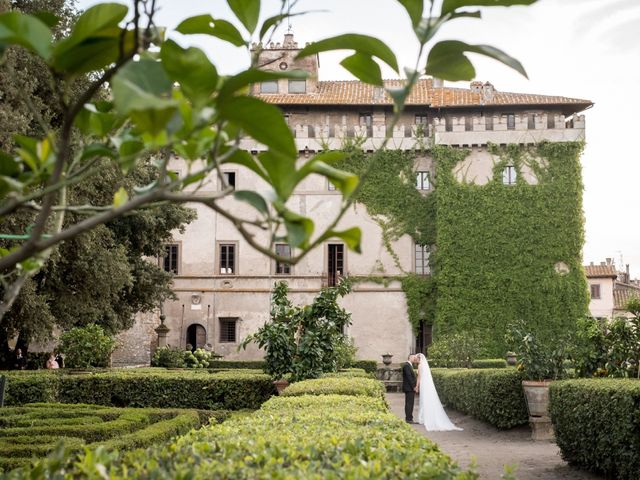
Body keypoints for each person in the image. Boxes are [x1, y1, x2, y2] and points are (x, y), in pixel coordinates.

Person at [415, 352, 462, 431]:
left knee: (424, 400)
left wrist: (417, 386)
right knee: (427, 400)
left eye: (416, 358)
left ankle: (424, 417)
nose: (415, 360)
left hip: (423, 384)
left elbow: (419, 377)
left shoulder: (420, 365)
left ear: (419, 359)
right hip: (427, 384)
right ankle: (426, 416)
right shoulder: (425, 366)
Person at [402, 353, 418, 423]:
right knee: (409, 404)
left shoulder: (409, 365)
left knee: (410, 403)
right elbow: (409, 377)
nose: (415, 359)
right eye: (414, 357)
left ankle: (409, 418)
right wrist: (414, 387)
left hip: (410, 388)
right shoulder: (406, 366)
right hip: (409, 388)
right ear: (410, 357)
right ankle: (408, 419)